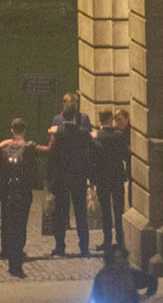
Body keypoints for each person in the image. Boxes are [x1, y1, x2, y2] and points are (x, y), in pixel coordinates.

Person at [0, 118, 43, 277]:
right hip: (23, 191)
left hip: (7, 190)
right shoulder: (28, 149)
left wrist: (1, 188)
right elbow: (32, 170)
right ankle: (18, 250)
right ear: (24, 130)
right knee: (21, 223)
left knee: (6, 220)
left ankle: (6, 248)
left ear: (11, 130)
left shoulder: (4, 148)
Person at [48, 105, 93, 257]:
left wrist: (50, 180)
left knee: (61, 214)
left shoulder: (59, 133)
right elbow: (92, 150)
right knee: (81, 214)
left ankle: (60, 247)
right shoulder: (83, 132)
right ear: (75, 117)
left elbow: (52, 156)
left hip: (61, 178)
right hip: (79, 178)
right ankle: (84, 248)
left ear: (63, 117)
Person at [92, 110, 130, 253]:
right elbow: (126, 155)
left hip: (102, 178)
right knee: (118, 209)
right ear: (110, 119)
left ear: (100, 119)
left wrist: (93, 178)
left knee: (106, 211)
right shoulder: (119, 136)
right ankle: (120, 240)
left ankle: (107, 241)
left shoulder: (96, 137)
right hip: (117, 177)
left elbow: (92, 159)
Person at [88, 246, 158, 303]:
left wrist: (147, 294)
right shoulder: (102, 276)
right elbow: (96, 295)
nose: (120, 260)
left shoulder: (130, 273)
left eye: (122, 257)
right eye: (117, 257)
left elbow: (151, 279)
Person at [113, 109, 132, 209]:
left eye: (120, 119)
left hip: (130, 164)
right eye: (116, 120)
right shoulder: (115, 131)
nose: (118, 122)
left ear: (127, 118)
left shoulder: (132, 131)